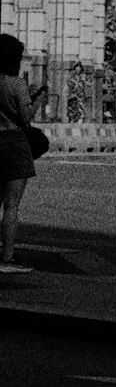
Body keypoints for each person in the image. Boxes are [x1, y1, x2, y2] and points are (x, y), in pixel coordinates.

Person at [0, 33, 37, 274]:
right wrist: (36, 99)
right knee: (11, 205)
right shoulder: (17, 84)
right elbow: (26, 117)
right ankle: (8, 257)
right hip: (14, 143)